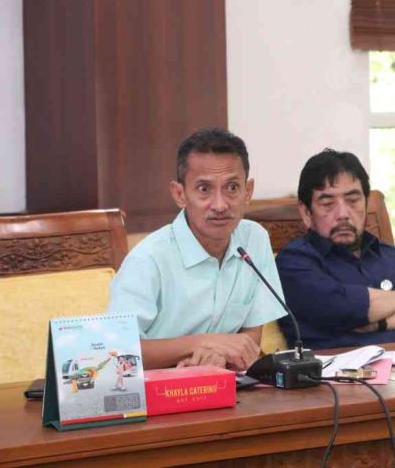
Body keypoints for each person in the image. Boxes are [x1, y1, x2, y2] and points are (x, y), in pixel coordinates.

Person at [108, 128, 286, 370]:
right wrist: (203, 343)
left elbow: (250, 337)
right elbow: (117, 351)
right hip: (156, 386)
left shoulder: (254, 239)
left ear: (248, 191)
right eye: (204, 189)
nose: (220, 205)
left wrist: (218, 357)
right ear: (179, 194)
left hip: (224, 382)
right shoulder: (148, 259)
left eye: (232, 188)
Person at [276, 149, 395, 350]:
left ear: (366, 204)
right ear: (306, 213)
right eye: (328, 203)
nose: (343, 214)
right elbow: (344, 308)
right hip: (341, 368)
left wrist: (380, 323)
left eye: (353, 200)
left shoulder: (390, 255)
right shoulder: (294, 262)